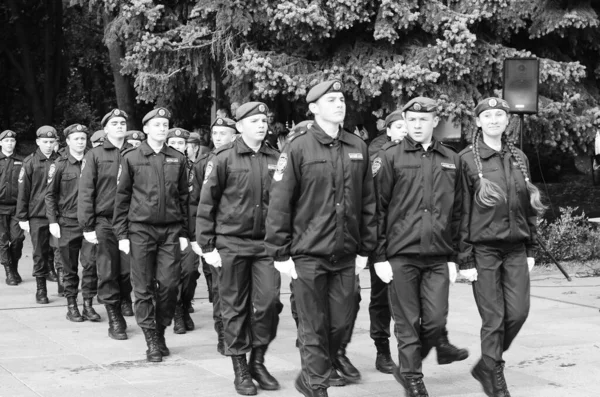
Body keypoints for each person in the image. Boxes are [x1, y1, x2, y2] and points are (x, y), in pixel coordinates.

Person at [265, 80, 377, 397]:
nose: (339, 104)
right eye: (331, 100)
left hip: (345, 254)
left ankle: (310, 376)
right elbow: (280, 202)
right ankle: (316, 385)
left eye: (341, 99)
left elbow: (368, 202)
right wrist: (280, 252)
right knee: (312, 326)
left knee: (341, 324)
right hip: (308, 255)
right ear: (314, 108)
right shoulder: (297, 148)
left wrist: (365, 249)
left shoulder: (358, 146)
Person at [372, 97, 464, 397]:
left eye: (423, 120)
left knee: (436, 320)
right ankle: (413, 379)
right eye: (411, 119)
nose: (417, 124)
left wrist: (456, 257)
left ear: (434, 121)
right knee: (407, 322)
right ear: (406, 121)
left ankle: (407, 365)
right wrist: (380, 256)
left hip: (438, 255)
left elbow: (459, 211)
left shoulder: (451, 159)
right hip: (401, 255)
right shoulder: (389, 157)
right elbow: (377, 209)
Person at [458, 98, 544, 397]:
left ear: (508, 121)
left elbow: (527, 204)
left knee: (518, 312)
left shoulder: (519, 156)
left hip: (516, 247)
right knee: (493, 317)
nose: (494, 119)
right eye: (488, 115)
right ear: (478, 122)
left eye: (500, 115)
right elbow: (460, 211)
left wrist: (531, 247)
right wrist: (464, 258)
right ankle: (493, 371)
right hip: (483, 250)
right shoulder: (467, 160)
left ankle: (486, 362)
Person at [197, 102, 282, 395]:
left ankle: (258, 360)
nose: (261, 124)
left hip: (266, 245)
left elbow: (285, 204)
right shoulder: (222, 158)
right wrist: (207, 245)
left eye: (264, 120)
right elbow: (206, 203)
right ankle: (241, 369)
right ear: (240, 126)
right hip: (231, 243)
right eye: (254, 120)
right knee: (233, 307)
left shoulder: (276, 156)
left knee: (270, 303)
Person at [113, 107, 189, 363]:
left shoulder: (177, 157)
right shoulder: (132, 157)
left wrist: (185, 233)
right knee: (143, 286)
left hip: (170, 230)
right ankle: (151, 338)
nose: (162, 128)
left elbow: (184, 197)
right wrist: (122, 233)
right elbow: (122, 197)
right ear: (146, 129)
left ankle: (160, 328)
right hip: (140, 230)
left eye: (165, 124)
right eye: (157, 125)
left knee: (169, 285)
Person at [78, 109, 134, 341]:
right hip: (105, 221)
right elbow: (86, 191)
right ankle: (114, 318)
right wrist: (87, 225)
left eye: (123, 122)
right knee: (108, 270)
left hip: (132, 221)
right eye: (114, 123)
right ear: (106, 128)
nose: (120, 126)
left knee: (127, 270)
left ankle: (124, 300)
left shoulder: (136, 153)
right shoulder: (96, 155)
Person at [189, 116, 237, 355]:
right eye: (215, 133)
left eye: (223, 133)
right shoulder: (203, 163)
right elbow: (196, 202)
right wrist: (197, 237)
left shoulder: (240, 158)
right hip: (215, 236)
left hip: (240, 234)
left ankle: (240, 330)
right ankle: (223, 333)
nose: (218, 137)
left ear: (234, 135)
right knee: (219, 288)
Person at [46, 124, 101, 323]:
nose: (80, 142)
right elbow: (50, 196)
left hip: (89, 225)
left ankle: (88, 304)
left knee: (90, 265)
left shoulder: (92, 161)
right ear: (68, 141)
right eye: (76, 138)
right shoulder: (59, 164)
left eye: (83, 138)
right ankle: (72, 306)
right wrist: (53, 222)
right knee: (69, 268)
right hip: (67, 224)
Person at [16, 125, 59, 304]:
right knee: (40, 253)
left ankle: (64, 285)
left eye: (51, 141)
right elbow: (23, 191)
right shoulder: (30, 162)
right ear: (38, 142)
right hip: (38, 215)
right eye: (45, 142)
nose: (48, 145)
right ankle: (41, 289)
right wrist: (22, 216)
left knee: (60, 251)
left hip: (58, 216)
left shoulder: (62, 160)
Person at [165, 127, 199, 334]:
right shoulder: (163, 166)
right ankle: (177, 310)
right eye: (173, 143)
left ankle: (185, 304)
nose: (177, 147)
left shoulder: (196, 167)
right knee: (171, 273)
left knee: (191, 271)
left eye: (181, 144)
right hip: (170, 226)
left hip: (192, 226)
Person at [0, 130, 25, 286]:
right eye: (6, 141)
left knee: (17, 239)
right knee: (2, 241)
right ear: (1, 143)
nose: (10, 143)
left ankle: (14, 266)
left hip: (17, 207)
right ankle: (9, 271)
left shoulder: (21, 161)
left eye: (12, 141)